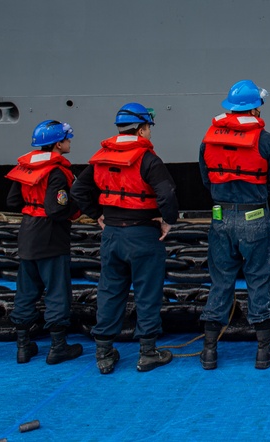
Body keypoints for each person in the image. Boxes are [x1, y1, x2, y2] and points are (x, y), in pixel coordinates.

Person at [70, 103, 178, 373]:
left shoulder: (101, 158)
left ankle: (104, 354)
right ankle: (148, 352)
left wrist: (98, 215)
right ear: (141, 129)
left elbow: (79, 190)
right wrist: (167, 221)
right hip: (143, 233)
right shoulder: (149, 160)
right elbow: (167, 194)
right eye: (148, 129)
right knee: (147, 291)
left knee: (110, 291)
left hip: (113, 235)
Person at [198, 80, 270, 370]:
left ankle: (209, 352)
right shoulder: (266, 140)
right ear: (255, 108)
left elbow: (205, 179)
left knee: (221, 282)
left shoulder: (208, 139)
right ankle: (263, 351)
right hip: (255, 217)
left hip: (221, 217)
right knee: (259, 281)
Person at [5, 120, 83, 365]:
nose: (70, 142)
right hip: (51, 237)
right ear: (58, 143)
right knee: (57, 290)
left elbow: (12, 201)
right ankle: (58, 346)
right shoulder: (57, 172)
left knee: (26, 291)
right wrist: (77, 205)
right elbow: (55, 209)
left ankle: (23, 346)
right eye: (67, 139)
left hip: (27, 234)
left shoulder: (26, 168)